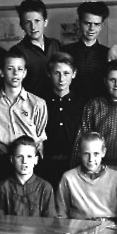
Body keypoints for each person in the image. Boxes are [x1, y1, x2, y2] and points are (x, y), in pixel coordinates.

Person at [0, 49, 48, 183]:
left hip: (31, 164)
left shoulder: (38, 103)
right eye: (10, 68)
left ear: (25, 73)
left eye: (19, 69)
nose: (15, 73)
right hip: (4, 164)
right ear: (1, 72)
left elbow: (40, 139)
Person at [42, 52, 84, 188]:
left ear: (74, 74)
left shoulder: (82, 103)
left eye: (66, 73)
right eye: (57, 73)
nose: (61, 79)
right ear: (49, 74)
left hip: (74, 165)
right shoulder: (41, 102)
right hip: (46, 164)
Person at [10, 0, 62, 98]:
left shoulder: (55, 44)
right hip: (32, 103)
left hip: (57, 101)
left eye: (37, 21)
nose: (33, 27)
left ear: (45, 22)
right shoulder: (17, 51)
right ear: (22, 25)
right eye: (28, 22)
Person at [63, 1, 110, 102]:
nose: (92, 28)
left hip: (100, 106)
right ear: (78, 23)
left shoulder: (108, 53)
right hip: (72, 105)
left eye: (97, 24)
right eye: (87, 23)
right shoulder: (65, 51)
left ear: (102, 25)